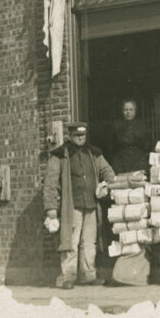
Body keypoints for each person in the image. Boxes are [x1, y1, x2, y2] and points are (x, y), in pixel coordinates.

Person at [43, 122, 116, 289]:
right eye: (77, 135)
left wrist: (108, 183)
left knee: (89, 242)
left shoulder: (93, 153)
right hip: (72, 206)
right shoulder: (59, 155)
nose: (81, 138)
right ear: (70, 136)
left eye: (83, 135)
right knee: (71, 241)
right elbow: (50, 183)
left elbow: (107, 170)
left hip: (91, 205)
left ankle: (88, 275)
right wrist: (51, 208)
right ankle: (68, 276)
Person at [110, 99, 151, 174]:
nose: (128, 112)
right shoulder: (116, 126)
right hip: (121, 162)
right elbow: (112, 146)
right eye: (125, 110)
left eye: (131, 110)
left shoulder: (141, 126)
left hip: (138, 161)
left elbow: (147, 145)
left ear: (135, 111)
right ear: (122, 111)